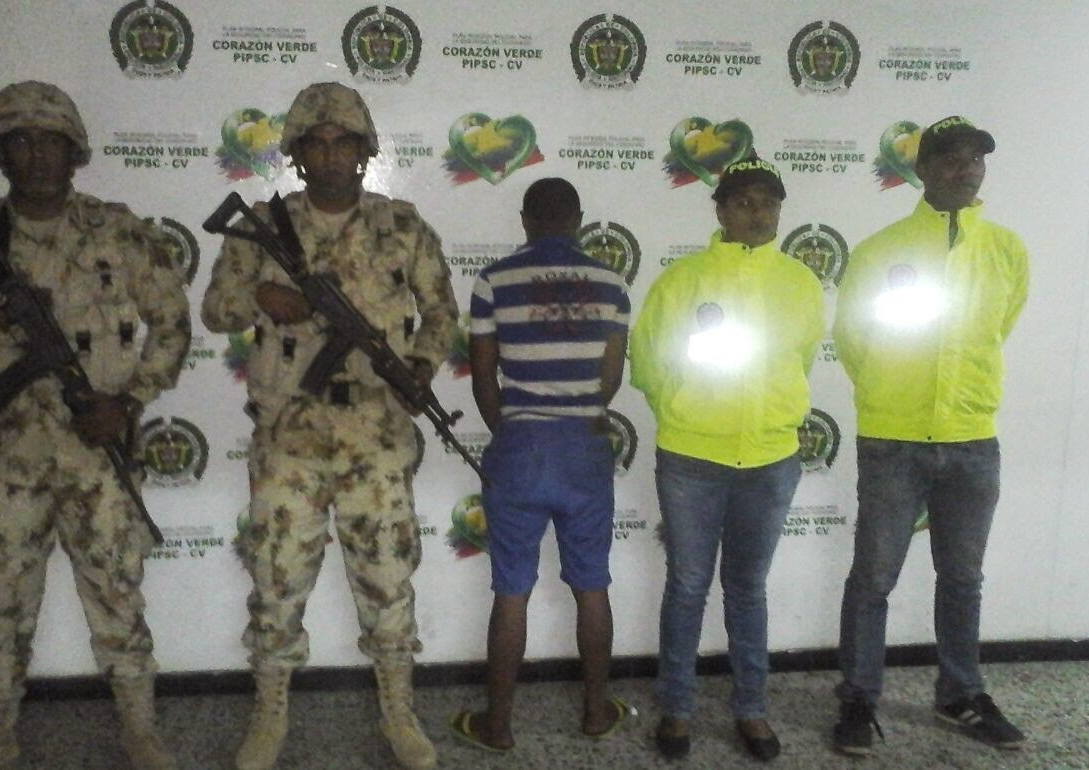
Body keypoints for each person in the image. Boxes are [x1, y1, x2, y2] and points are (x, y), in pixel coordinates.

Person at [0, 81, 191, 770]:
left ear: (73, 149)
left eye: (50, 140)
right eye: (20, 141)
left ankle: (139, 729)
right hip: (2, 456)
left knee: (117, 595)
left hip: (95, 452)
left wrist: (129, 401)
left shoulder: (117, 230)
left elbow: (173, 326)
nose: (36, 155)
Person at [201, 82, 457, 770]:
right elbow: (217, 311)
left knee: (387, 580)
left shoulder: (402, 226)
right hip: (289, 438)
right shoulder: (264, 226)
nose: (331, 155)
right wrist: (263, 295)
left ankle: (398, 712)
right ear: (297, 153)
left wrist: (420, 368)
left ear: (365, 151)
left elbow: (440, 312)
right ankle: (270, 713)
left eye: (344, 142)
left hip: (377, 436)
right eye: (316, 143)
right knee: (277, 581)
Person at [831, 116, 1029, 755]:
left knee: (963, 577)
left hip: (973, 438)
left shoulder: (1006, 250)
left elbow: (1000, 328)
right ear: (921, 170)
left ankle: (959, 695)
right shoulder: (880, 250)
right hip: (894, 439)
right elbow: (853, 340)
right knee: (873, 578)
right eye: (951, 159)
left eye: (976, 159)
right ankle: (859, 698)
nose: (966, 170)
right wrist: (892, 396)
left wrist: (963, 401)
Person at [630, 156, 824, 762]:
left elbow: (803, 360)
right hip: (692, 457)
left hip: (770, 459)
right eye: (743, 201)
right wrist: (688, 412)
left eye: (768, 201)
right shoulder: (682, 280)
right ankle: (677, 708)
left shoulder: (800, 282)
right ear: (720, 210)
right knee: (688, 585)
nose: (758, 212)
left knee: (748, 588)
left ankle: (751, 709)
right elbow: (648, 364)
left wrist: (769, 418)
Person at [451, 178, 632, 753]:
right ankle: (597, 713)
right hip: (584, 448)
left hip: (520, 448)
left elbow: (483, 377)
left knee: (511, 591)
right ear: (578, 219)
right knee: (592, 585)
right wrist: (575, 415)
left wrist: (513, 431)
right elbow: (609, 380)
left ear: (525, 219)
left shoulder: (494, 281)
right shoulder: (611, 283)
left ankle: (498, 726)